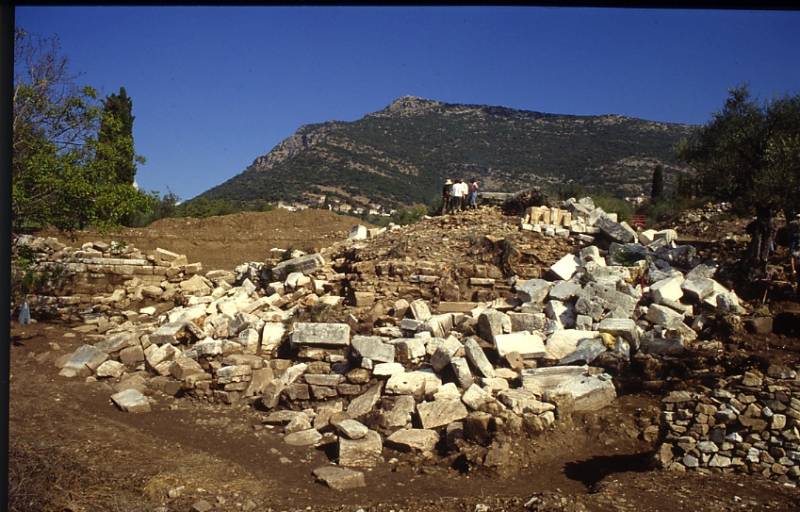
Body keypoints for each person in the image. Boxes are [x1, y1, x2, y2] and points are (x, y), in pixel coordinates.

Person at [790, 213, 800, 292]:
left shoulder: (793, 223)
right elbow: (792, 258)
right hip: (795, 237)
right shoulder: (794, 223)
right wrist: (793, 269)